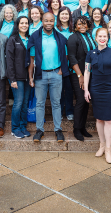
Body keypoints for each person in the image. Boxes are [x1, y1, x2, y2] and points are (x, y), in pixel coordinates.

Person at [28, 12, 69, 142]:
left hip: (56, 74)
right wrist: (30, 77)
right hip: (40, 75)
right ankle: (39, 130)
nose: (49, 23)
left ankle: (58, 130)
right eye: (46, 21)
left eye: (51, 21)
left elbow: (66, 55)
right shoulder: (35, 37)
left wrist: (62, 70)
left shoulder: (60, 37)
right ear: (42, 21)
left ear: (54, 21)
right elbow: (32, 59)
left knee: (56, 103)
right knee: (39, 103)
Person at [84, 27, 111, 164]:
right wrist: (86, 90)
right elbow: (87, 72)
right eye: (99, 36)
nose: (102, 38)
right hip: (95, 88)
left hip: (110, 88)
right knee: (99, 119)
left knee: (109, 120)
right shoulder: (90, 53)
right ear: (95, 38)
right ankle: (101, 145)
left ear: (107, 37)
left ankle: (108, 149)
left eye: (104, 36)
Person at [67, 16, 96, 141]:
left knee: (86, 101)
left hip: (90, 74)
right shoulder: (72, 38)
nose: (82, 26)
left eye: (85, 24)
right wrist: (80, 75)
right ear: (75, 26)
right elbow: (72, 58)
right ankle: (77, 129)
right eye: (80, 24)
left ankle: (83, 127)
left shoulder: (90, 36)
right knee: (80, 100)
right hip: (78, 74)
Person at [6, 16, 31, 138]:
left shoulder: (29, 38)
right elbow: (9, 61)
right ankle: (15, 128)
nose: (24, 25)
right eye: (22, 23)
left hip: (27, 76)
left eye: (26, 23)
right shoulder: (12, 39)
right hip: (17, 77)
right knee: (18, 103)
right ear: (18, 24)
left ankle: (22, 126)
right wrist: (12, 79)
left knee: (25, 103)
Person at [57, 7, 74, 120]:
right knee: (58, 89)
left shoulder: (73, 30)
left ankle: (69, 111)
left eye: (66, 14)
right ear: (58, 16)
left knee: (68, 88)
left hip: (71, 63)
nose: (64, 16)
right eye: (62, 14)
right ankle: (59, 111)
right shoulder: (55, 29)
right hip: (58, 63)